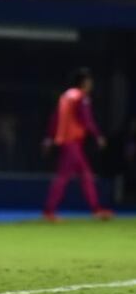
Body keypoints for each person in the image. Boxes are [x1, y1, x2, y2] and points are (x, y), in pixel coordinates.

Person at [42, 68, 114, 222]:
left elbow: (55, 118)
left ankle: (96, 209)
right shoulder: (81, 97)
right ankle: (49, 211)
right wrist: (97, 135)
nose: (91, 84)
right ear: (84, 82)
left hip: (66, 141)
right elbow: (86, 119)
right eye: (89, 81)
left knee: (85, 176)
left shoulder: (66, 96)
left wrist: (49, 137)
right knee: (63, 176)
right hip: (72, 142)